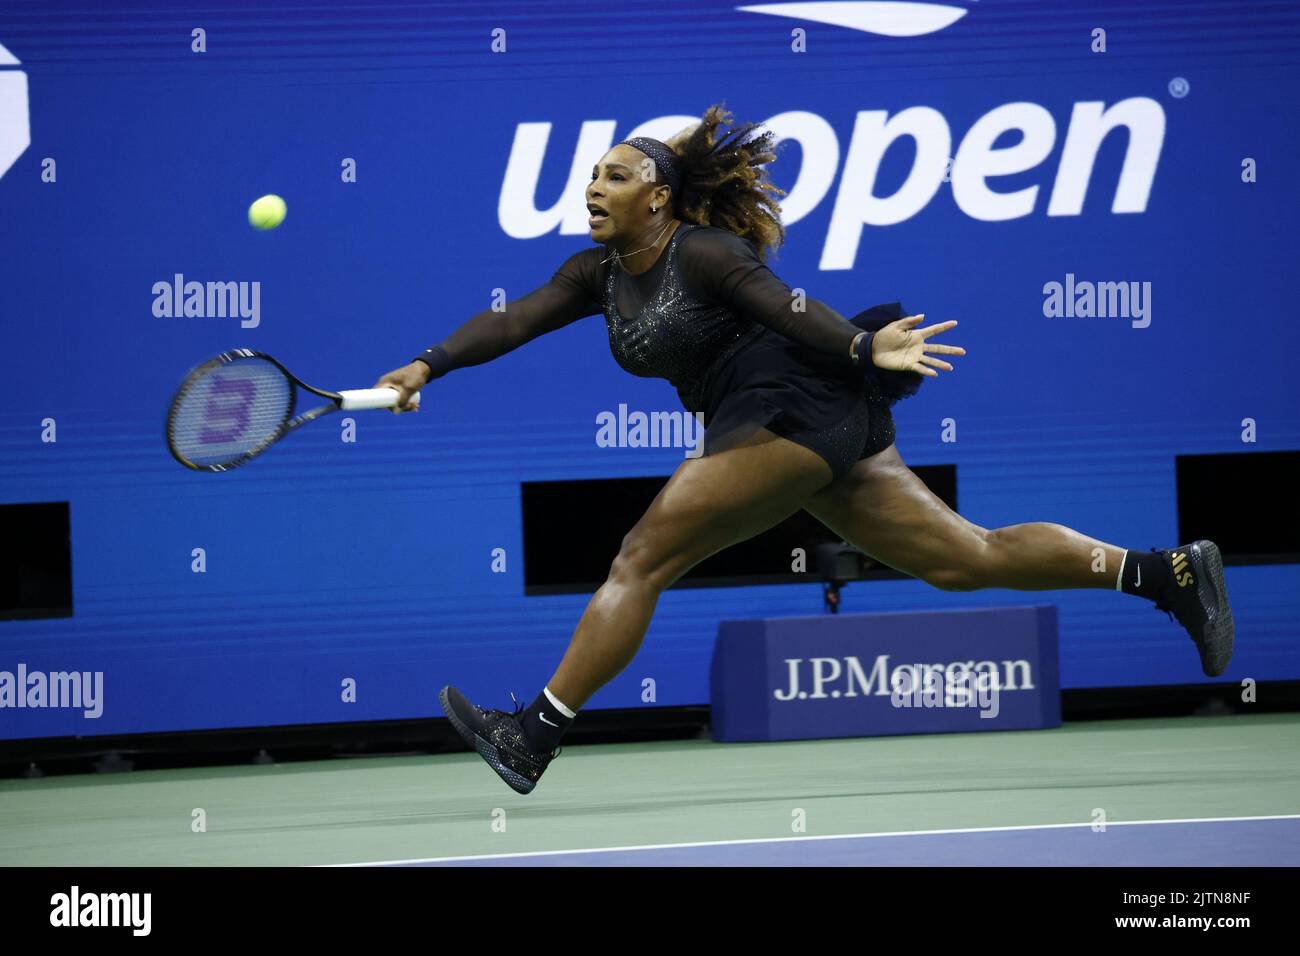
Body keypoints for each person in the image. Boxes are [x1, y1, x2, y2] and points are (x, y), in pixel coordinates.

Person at [374, 105, 1233, 795]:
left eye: (616, 175)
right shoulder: (592, 275)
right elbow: (511, 320)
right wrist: (425, 365)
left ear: (660, 197)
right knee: (966, 558)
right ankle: (1166, 574)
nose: (594, 187)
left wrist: (863, 350)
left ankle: (533, 738)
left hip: (788, 408)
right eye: (593, 175)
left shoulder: (704, 251)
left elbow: (785, 306)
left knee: (640, 558)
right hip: (808, 423)